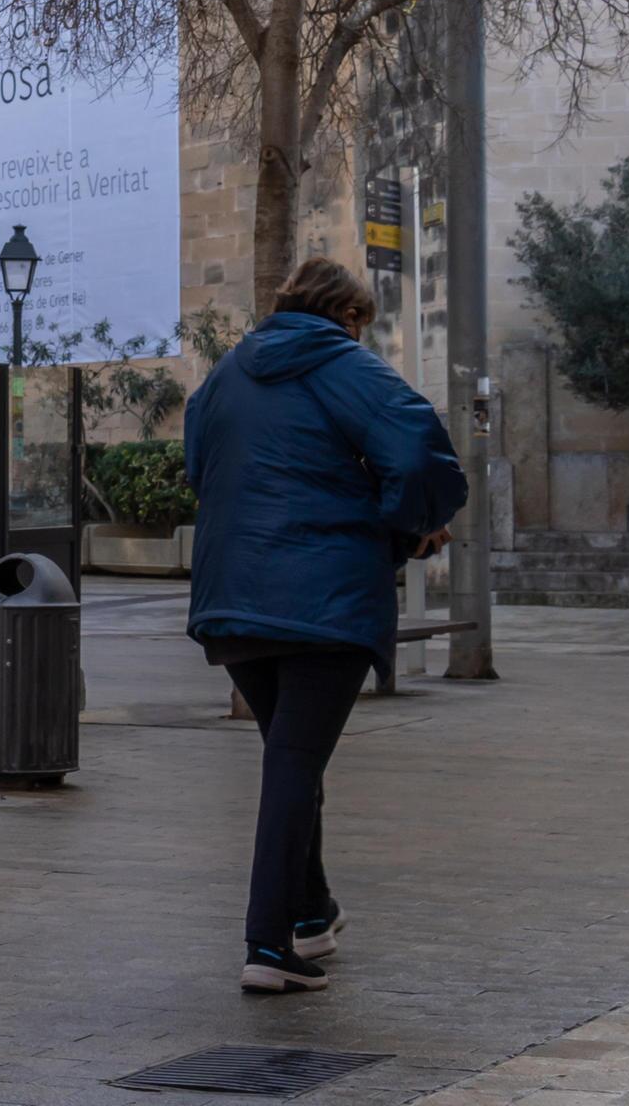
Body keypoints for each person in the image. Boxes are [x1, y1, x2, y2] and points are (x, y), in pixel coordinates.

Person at [184, 256, 467, 996]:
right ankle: (267, 942)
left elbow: (200, 465)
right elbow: (417, 447)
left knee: (291, 756)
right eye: (360, 321)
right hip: (324, 597)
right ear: (346, 315)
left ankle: (311, 913)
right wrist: (411, 526)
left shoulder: (226, 373)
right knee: (294, 761)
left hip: (232, 596)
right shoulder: (345, 364)